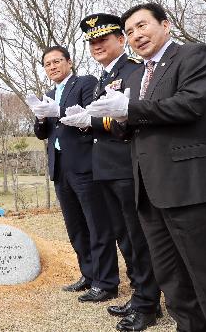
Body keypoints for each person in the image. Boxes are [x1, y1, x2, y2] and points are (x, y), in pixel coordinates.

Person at [87, 2, 206, 332]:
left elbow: (192, 103)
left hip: (187, 187)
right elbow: (137, 122)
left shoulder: (193, 56)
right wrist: (115, 118)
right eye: (129, 32)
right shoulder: (140, 74)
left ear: (165, 25)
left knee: (204, 274)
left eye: (142, 26)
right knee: (172, 280)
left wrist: (131, 109)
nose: (136, 35)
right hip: (149, 191)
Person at [60, 13, 162, 331]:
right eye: (92, 42)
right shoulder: (104, 77)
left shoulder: (131, 70)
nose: (97, 46)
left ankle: (148, 301)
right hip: (103, 166)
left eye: (103, 39)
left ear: (121, 39)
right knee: (123, 237)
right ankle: (140, 294)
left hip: (124, 164)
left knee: (136, 236)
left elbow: (125, 118)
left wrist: (90, 120)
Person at [27, 46, 119, 303]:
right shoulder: (47, 93)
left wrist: (62, 113)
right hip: (59, 167)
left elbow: (94, 116)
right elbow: (42, 133)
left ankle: (107, 282)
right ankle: (88, 275)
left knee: (97, 225)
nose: (53, 67)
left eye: (57, 61)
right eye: (48, 64)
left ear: (69, 62)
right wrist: (42, 118)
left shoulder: (85, 83)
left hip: (84, 164)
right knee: (76, 227)